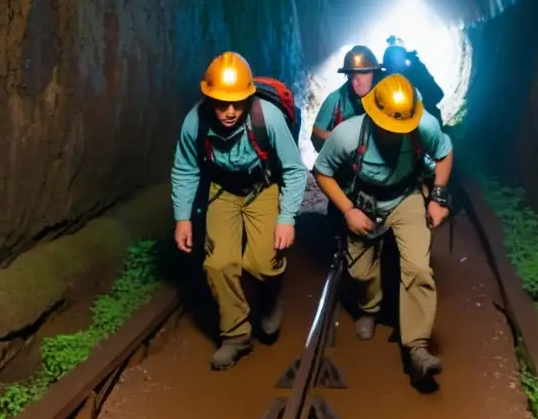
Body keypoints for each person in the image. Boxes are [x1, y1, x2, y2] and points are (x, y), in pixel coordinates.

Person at [171, 51, 308, 370]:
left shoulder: (268, 116)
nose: (230, 112)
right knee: (219, 263)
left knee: (262, 263)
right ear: (209, 98)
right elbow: (185, 168)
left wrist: (286, 217)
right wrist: (182, 218)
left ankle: (270, 299)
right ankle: (235, 336)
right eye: (222, 103)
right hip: (223, 191)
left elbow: (294, 169)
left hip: (263, 187)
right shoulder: (196, 121)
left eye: (237, 103)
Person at [312, 73, 453, 382]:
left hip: (406, 196)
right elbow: (322, 172)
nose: (394, 134)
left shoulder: (422, 125)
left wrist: (438, 196)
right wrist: (348, 210)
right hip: (364, 200)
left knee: (418, 268)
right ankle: (369, 309)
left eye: (400, 128)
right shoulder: (348, 136)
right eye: (388, 127)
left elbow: (443, 152)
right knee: (361, 271)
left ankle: (417, 347)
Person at [310, 45, 382, 152]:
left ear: (374, 73)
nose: (355, 82)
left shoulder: (385, 95)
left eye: (361, 74)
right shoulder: (335, 100)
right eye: (351, 77)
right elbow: (317, 135)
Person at [381, 37, 445, 126]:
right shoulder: (393, 81)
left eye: (398, 61)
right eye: (392, 64)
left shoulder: (414, 70)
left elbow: (436, 94)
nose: (396, 65)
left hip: (428, 112)